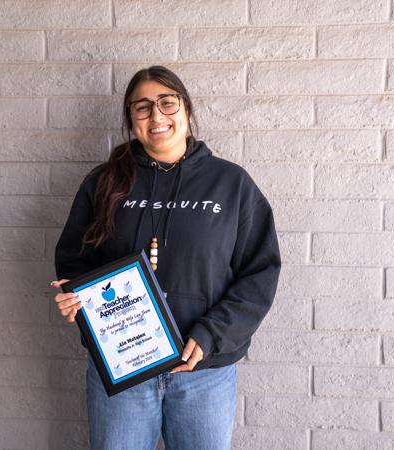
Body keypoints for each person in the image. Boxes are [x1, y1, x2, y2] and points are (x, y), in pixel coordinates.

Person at [51, 66, 280, 450]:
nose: (156, 116)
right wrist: (76, 297)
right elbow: (76, 260)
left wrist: (212, 334)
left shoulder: (231, 184)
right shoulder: (103, 183)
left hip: (204, 373)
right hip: (123, 370)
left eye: (166, 103)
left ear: (186, 110)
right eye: (142, 108)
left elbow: (260, 273)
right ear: (130, 121)